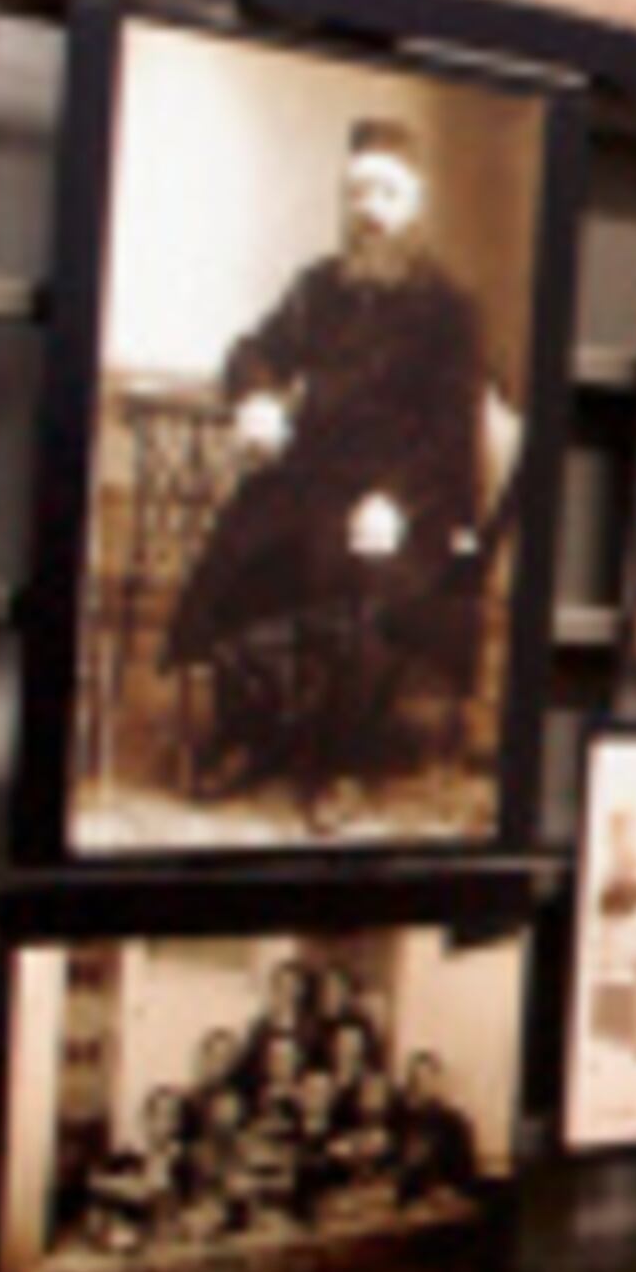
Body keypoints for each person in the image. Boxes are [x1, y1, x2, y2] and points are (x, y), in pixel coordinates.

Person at [162, 113, 496, 822]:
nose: (368, 211)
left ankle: (344, 760)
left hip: (412, 495)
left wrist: (397, 502)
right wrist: (255, 397)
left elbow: (450, 435)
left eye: (386, 195)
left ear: (415, 205)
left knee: (367, 584)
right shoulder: (317, 287)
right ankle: (249, 735)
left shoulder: (449, 309)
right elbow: (252, 348)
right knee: (242, 546)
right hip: (316, 481)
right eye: (357, 195)